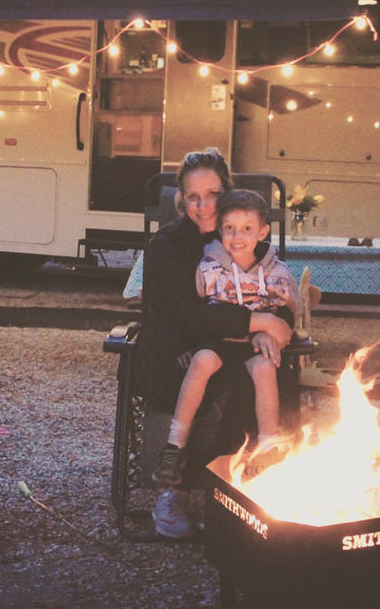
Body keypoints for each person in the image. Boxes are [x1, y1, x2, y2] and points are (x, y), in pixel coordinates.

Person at [134, 148, 293, 539]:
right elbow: (181, 313)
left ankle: (233, 490)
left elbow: (275, 296)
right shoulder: (170, 244)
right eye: (193, 197)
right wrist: (258, 322)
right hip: (178, 345)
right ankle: (171, 491)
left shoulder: (246, 236)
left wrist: (271, 327)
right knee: (194, 376)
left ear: (228, 195)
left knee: (266, 374)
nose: (204, 206)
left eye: (213, 195)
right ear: (181, 200)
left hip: (235, 347)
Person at [151, 190, 301, 488]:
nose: (237, 236)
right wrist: (188, 345)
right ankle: (173, 446)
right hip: (218, 338)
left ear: (263, 231)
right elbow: (193, 313)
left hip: (254, 344)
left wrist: (272, 334)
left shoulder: (276, 271)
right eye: (229, 228)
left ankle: (269, 445)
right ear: (220, 231)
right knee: (202, 360)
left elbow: (289, 313)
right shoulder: (209, 267)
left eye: (247, 228)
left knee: (265, 367)